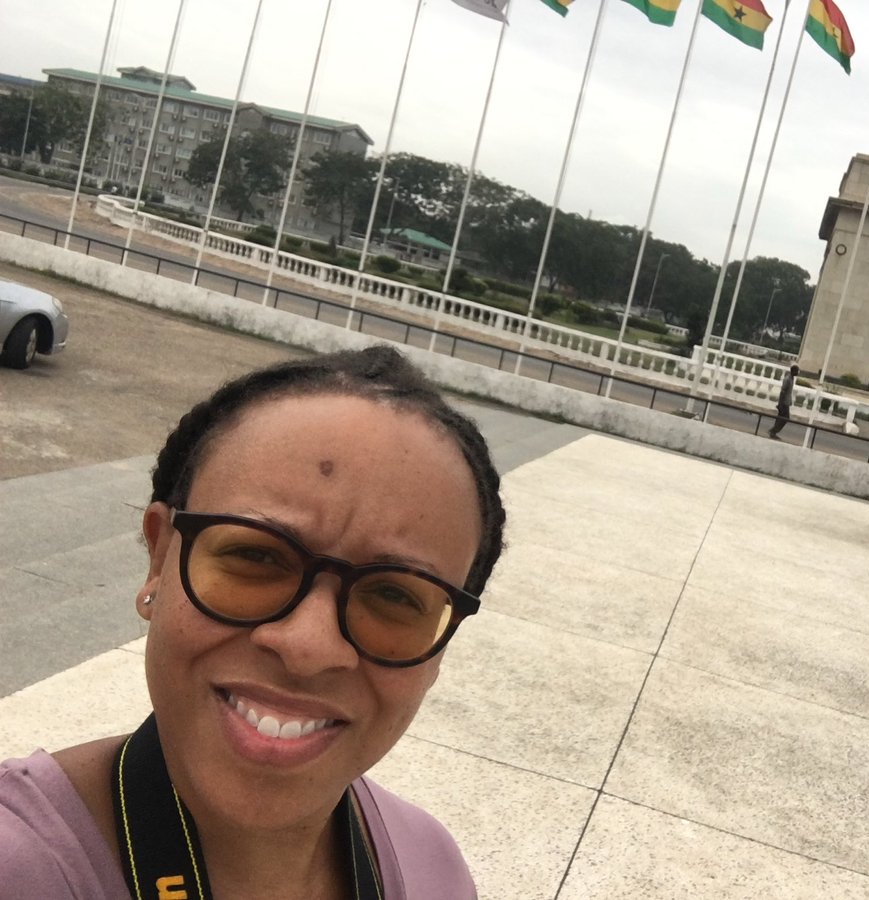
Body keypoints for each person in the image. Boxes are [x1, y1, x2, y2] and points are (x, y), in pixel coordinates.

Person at [0, 346, 505, 899]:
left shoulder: (432, 869)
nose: (309, 646)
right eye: (257, 556)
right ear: (160, 558)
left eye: (394, 595)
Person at [768, 364, 799, 439]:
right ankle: (773, 431)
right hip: (784, 403)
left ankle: (773, 432)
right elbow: (782, 392)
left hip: (786, 402)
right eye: (797, 371)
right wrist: (780, 404)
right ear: (793, 371)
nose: (798, 373)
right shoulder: (787, 379)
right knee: (785, 418)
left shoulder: (791, 378)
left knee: (780, 418)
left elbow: (788, 392)